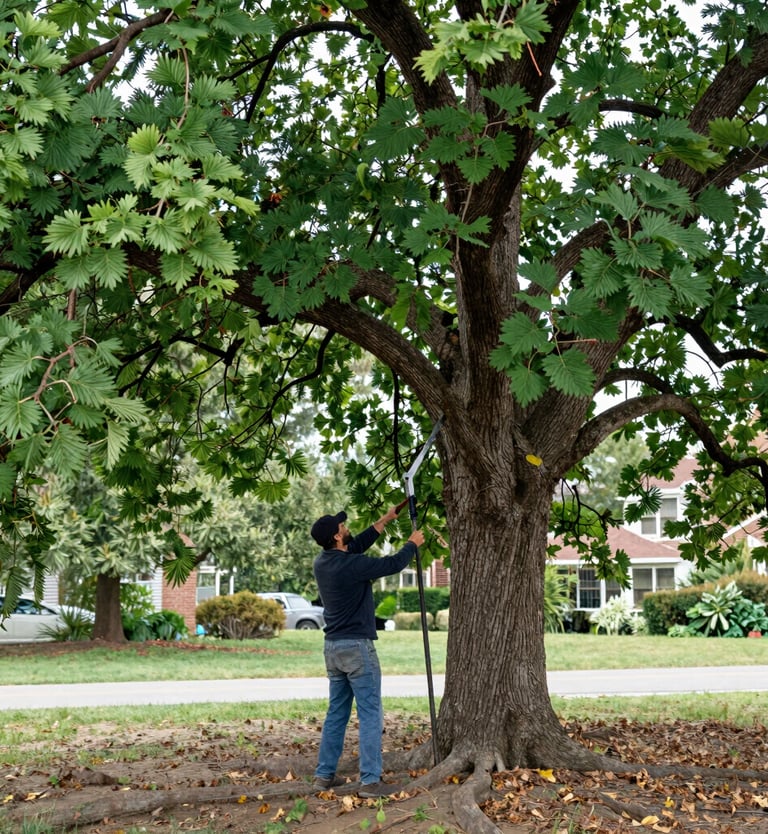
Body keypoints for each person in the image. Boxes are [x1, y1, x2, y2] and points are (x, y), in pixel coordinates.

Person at [310, 506, 425, 798]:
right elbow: (391, 564)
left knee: (336, 713)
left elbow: (355, 545)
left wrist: (383, 522)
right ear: (337, 536)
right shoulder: (353, 566)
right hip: (357, 648)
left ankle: (324, 775)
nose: (345, 526)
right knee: (371, 713)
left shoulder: (323, 562)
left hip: (333, 648)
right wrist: (412, 544)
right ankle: (371, 782)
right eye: (342, 525)